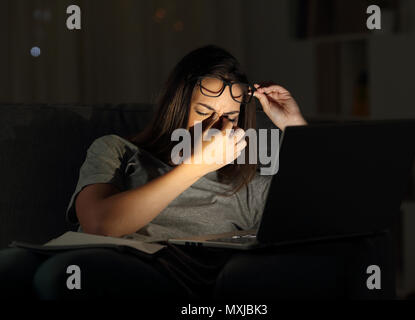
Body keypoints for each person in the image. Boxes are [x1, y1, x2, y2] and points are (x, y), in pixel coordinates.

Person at [0, 45, 388, 300]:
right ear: (175, 107)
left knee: (60, 279)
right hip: (98, 246)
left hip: (161, 274)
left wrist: (294, 127)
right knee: (12, 268)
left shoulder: (248, 178)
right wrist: (195, 165)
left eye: (230, 117)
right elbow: (100, 223)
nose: (218, 125)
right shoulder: (117, 149)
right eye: (204, 113)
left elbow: (332, 214)